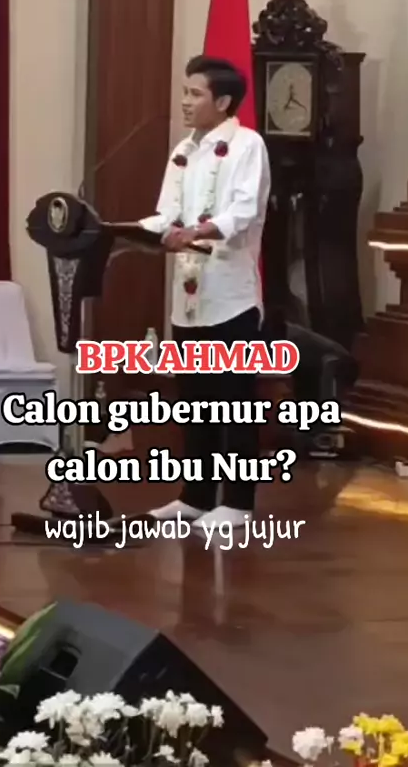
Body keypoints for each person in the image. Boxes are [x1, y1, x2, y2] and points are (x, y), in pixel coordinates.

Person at [139, 55, 271, 529]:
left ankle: (237, 502)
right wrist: (127, 230)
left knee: (234, 403)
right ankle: (194, 497)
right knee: (194, 403)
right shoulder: (183, 151)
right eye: (185, 91)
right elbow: (166, 214)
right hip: (189, 300)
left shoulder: (247, 145)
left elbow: (242, 213)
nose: (185, 101)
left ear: (223, 101)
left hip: (230, 298)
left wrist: (194, 231)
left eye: (195, 94)